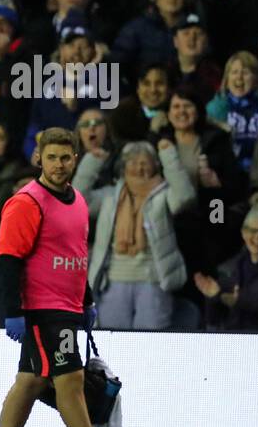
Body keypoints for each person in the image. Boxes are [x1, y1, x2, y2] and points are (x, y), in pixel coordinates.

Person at [0, 127, 135, 427]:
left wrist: (86, 300)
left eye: (65, 157)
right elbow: (8, 258)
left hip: (66, 306)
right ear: (39, 157)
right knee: (69, 378)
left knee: (31, 381)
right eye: (51, 157)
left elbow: (76, 256)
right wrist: (13, 312)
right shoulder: (27, 201)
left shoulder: (78, 201)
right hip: (42, 308)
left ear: (75, 159)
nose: (58, 164)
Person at [74, 139, 196, 331]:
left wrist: (169, 157)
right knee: (114, 340)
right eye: (133, 162)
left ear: (155, 166)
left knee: (151, 342)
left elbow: (184, 197)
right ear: (123, 167)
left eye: (145, 162)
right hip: (113, 281)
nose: (139, 167)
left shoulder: (163, 195)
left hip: (154, 280)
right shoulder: (110, 195)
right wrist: (91, 162)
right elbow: (77, 200)